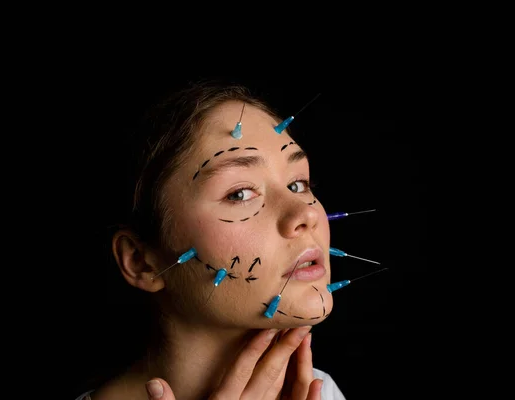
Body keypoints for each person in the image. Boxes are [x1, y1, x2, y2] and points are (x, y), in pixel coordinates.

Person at [74, 79, 347, 399]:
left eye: (299, 184)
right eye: (240, 193)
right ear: (140, 261)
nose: (305, 214)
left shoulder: (315, 391)